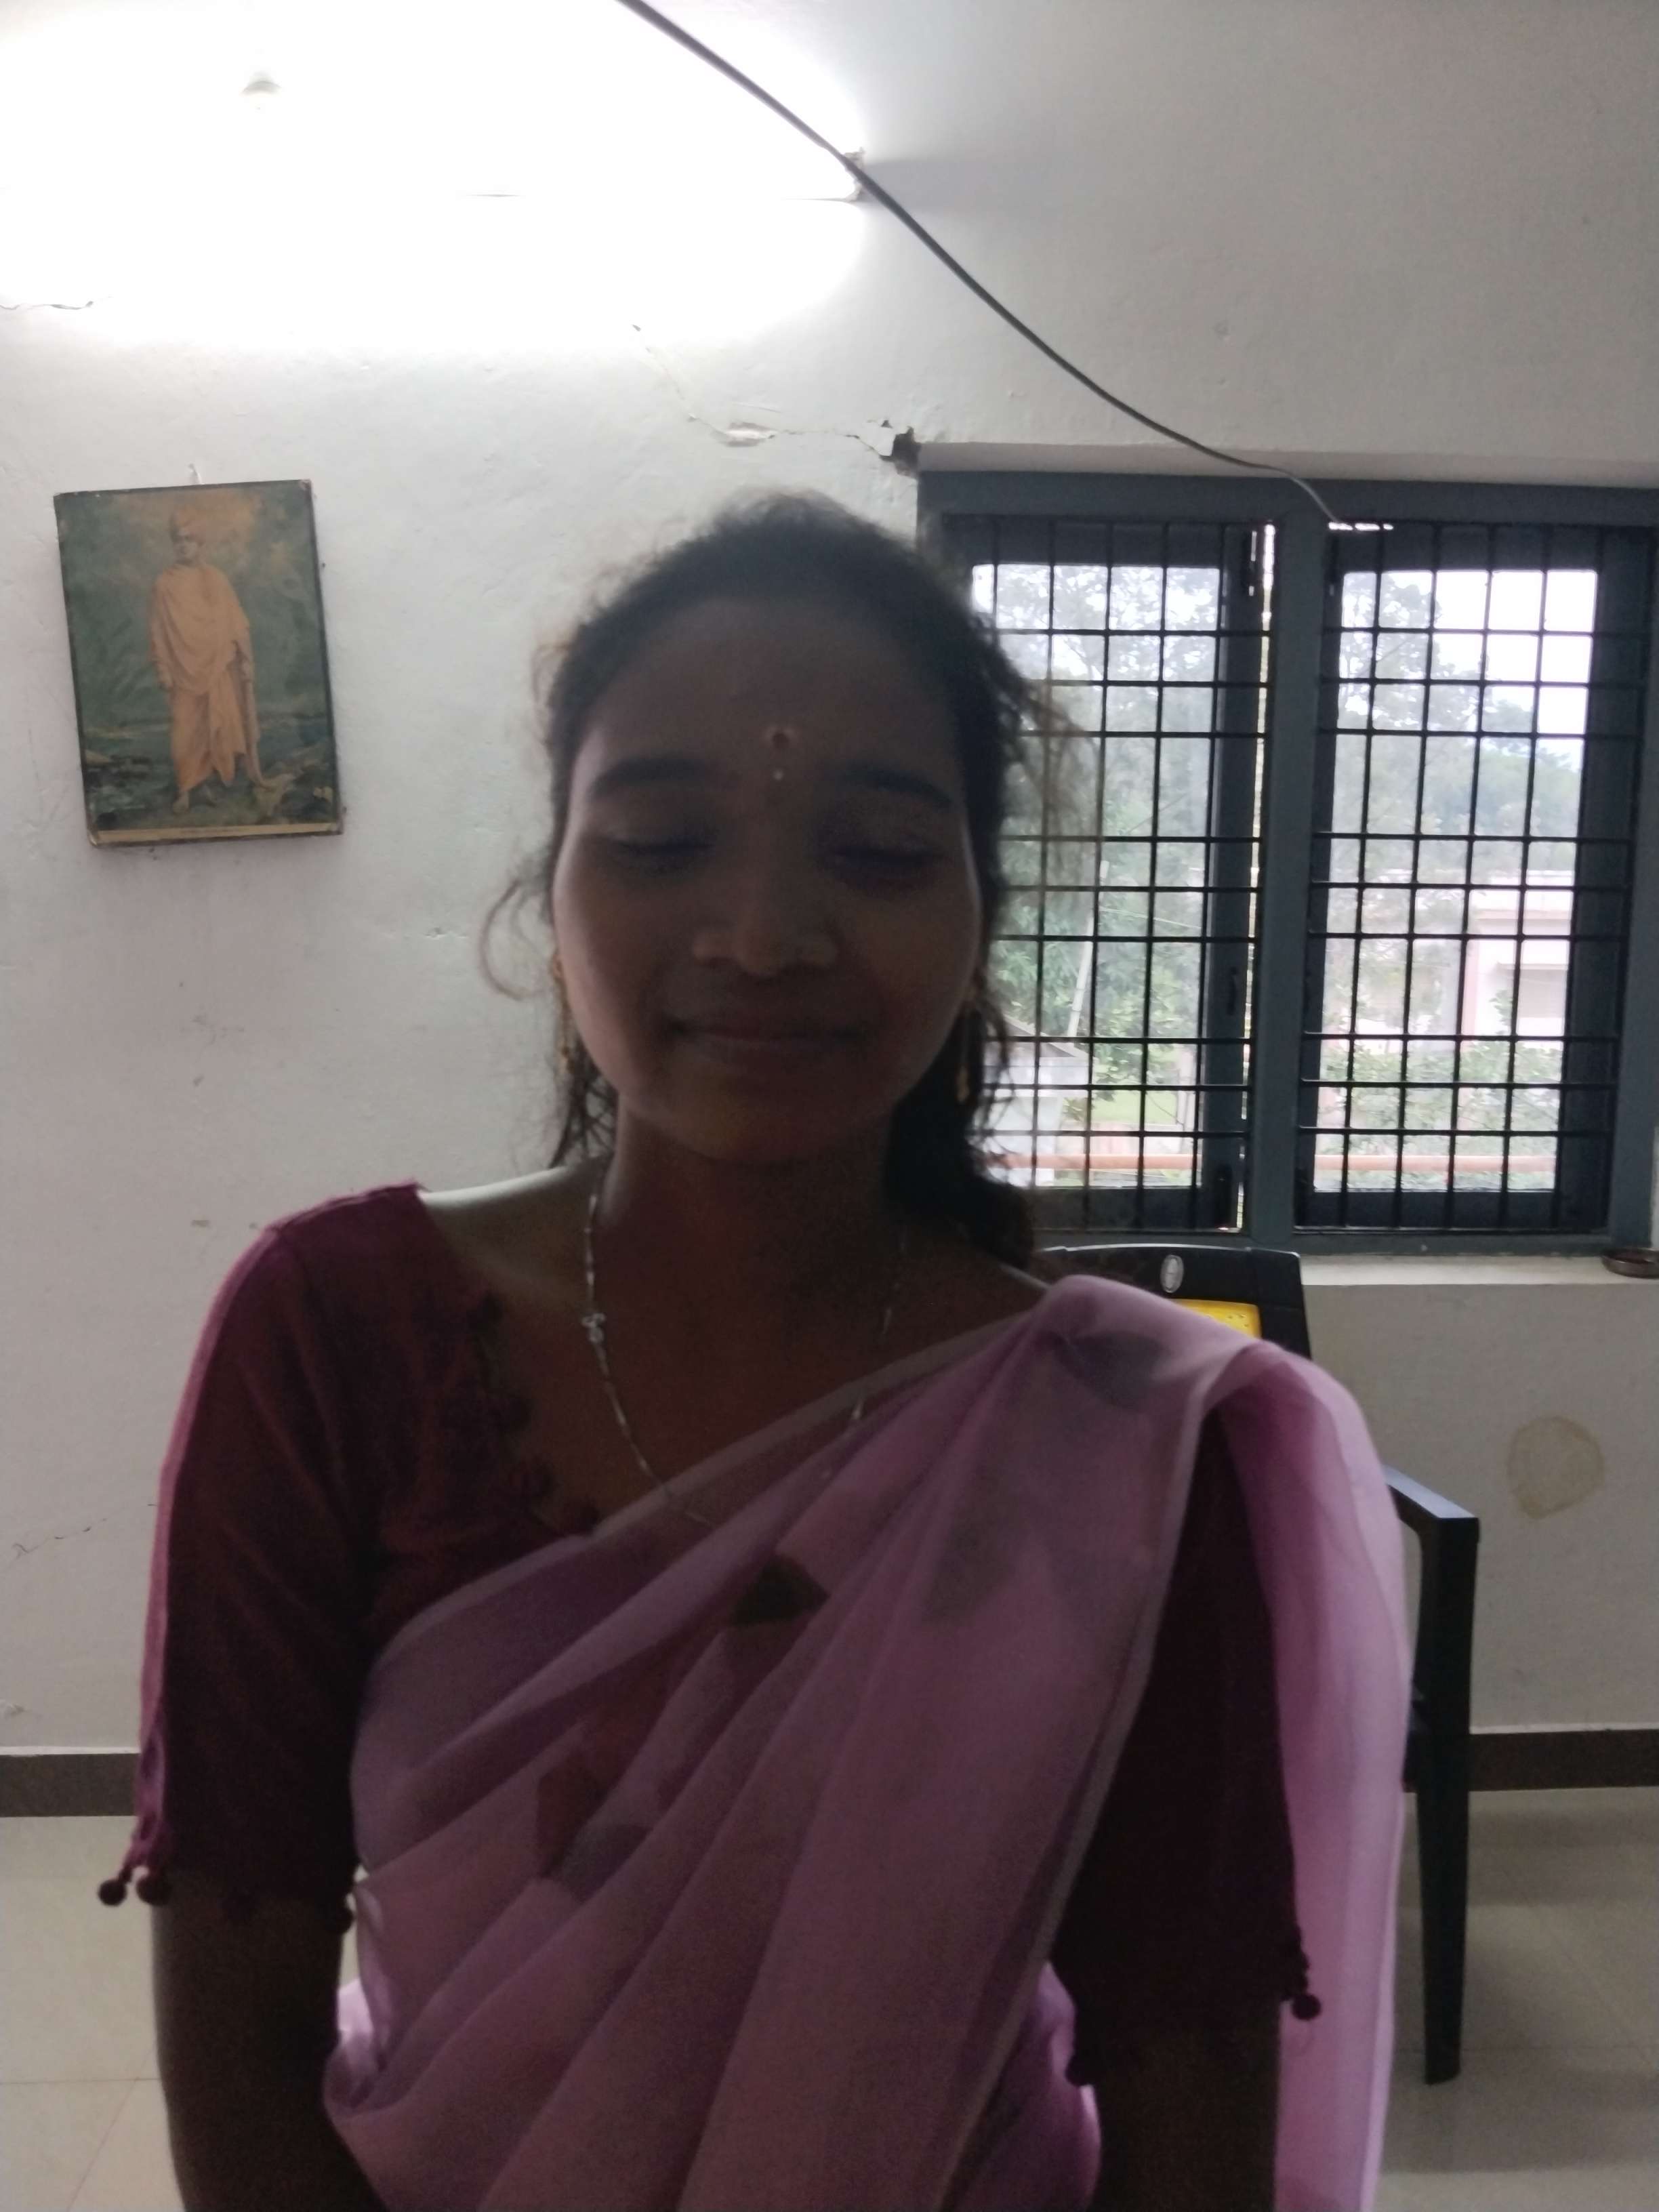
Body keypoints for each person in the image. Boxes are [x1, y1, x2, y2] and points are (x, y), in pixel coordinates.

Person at [101, 495, 1409, 2211]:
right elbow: (236, 2021)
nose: (764, 936)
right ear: (551, 891)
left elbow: (1192, 2084)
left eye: (877, 852)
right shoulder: (341, 1337)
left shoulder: (1113, 1441)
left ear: (978, 914)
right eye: (660, 842)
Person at [148, 508, 267, 814]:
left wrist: (245, 658)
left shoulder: (216, 579)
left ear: (201, 544)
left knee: (217, 723)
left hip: (217, 665)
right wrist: (162, 667)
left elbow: (236, 621)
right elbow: (158, 630)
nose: (183, 545)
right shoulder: (164, 584)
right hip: (182, 669)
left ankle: (206, 785)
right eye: (178, 540)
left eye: (189, 539)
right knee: (185, 731)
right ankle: (186, 788)